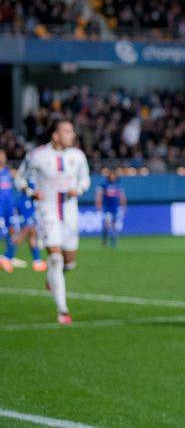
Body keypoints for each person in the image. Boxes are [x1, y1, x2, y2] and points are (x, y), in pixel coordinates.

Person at [16, 117, 91, 325]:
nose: (72, 134)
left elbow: (85, 179)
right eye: (67, 131)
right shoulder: (38, 155)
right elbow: (20, 177)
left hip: (70, 215)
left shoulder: (78, 156)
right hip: (47, 214)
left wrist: (80, 189)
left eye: (72, 131)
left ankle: (53, 277)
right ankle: (63, 311)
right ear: (55, 135)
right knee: (55, 259)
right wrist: (31, 192)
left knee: (69, 263)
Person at [96, 168, 127, 248]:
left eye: (114, 175)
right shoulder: (104, 185)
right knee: (106, 224)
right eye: (111, 175)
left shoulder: (118, 185)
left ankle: (113, 241)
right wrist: (99, 205)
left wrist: (124, 206)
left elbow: (122, 196)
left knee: (114, 225)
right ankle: (104, 239)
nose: (113, 177)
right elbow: (99, 195)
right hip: (107, 207)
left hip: (115, 207)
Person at [0, 150, 15, 272]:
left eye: (4, 156)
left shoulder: (8, 172)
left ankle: (8, 256)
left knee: (12, 231)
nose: (2, 158)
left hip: (9, 208)